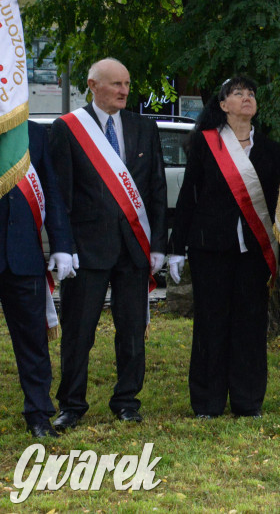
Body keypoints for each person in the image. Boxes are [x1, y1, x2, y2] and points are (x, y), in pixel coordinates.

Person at [49, 58, 167, 431]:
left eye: (127, 84)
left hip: (133, 248)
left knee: (132, 331)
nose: (123, 90)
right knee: (78, 332)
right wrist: (62, 246)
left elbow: (156, 190)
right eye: (116, 83)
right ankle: (71, 404)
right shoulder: (68, 129)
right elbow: (59, 194)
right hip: (86, 249)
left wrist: (159, 244)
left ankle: (127, 400)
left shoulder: (142, 128)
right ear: (92, 84)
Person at [167, 76, 280, 418]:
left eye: (251, 92)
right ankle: (207, 402)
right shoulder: (206, 144)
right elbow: (187, 198)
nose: (247, 97)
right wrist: (176, 246)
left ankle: (247, 400)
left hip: (254, 253)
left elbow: (279, 203)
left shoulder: (268, 148)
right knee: (211, 323)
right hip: (211, 249)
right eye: (238, 93)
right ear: (223, 105)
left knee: (250, 325)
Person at [0, 121, 76, 437]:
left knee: (33, 343)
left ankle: (38, 415)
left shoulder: (32, 133)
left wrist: (61, 245)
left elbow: (52, 192)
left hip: (23, 255)